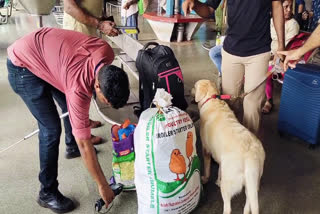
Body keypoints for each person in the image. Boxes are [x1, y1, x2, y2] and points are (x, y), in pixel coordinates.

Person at [7, 27, 130, 213]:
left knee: (67, 105)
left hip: (44, 53)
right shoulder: (78, 88)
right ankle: (46, 192)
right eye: (105, 100)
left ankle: (70, 146)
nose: (104, 104)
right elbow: (85, 144)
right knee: (50, 129)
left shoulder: (106, 51)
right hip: (22, 66)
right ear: (97, 85)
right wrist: (103, 185)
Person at [183, 0, 285, 135]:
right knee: (229, 103)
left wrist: (281, 45)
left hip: (259, 52)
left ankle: (249, 149)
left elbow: (277, 6)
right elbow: (208, 9)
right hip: (232, 51)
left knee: (252, 107)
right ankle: (230, 143)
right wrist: (195, 4)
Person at [262, 0, 300, 114]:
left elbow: (287, 47)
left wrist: (275, 57)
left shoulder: (293, 24)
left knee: (267, 73)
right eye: (286, 7)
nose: (289, 10)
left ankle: (268, 101)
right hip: (268, 54)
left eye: (290, 7)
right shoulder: (270, 22)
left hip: (283, 58)